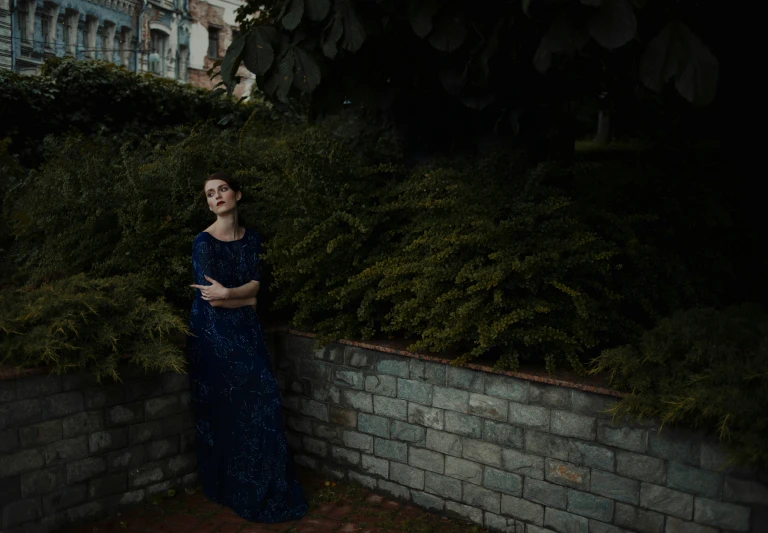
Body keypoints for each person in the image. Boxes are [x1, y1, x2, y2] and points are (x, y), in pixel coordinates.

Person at [186, 171, 308, 523]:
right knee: (231, 408)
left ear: (237, 195)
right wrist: (241, 298)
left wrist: (234, 294)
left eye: (222, 190)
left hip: (247, 331)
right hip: (214, 335)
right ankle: (230, 487)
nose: (217, 197)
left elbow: (256, 285)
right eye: (210, 194)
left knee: (263, 401)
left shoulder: (252, 238)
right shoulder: (203, 243)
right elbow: (215, 301)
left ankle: (264, 485)